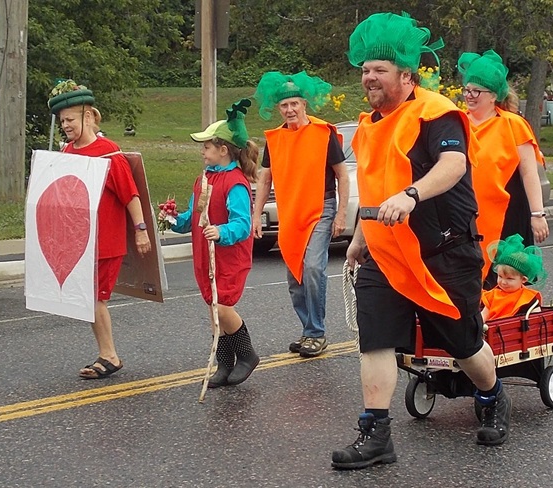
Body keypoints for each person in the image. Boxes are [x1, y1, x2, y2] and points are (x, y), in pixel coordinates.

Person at [331, 12, 513, 470]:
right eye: (366, 69)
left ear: (406, 76)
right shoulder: (370, 123)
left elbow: (452, 167)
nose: (369, 77)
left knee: (463, 344)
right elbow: (373, 187)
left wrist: (412, 195)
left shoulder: (437, 114)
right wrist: (358, 239)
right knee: (374, 341)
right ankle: (376, 435)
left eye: (380, 70)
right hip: (386, 253)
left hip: (444, 251)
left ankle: (491, 395)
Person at [47, 79, 152, 379]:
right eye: (62, 121)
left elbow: (129, 195)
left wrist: (141, 229)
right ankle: (106, 353)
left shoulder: (108, 151)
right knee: (87, 298)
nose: (65, 125)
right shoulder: (67, 152)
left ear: (89, 116)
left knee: (95, 298)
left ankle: (110, 356)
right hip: (79, 241)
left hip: (106, 240)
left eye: (70, 119)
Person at [251, 71, 350, 358]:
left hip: (321, 208)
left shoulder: (323, 134)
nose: (290, 110)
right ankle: (309, 330)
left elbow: (342, 176)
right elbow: (265, 178)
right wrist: (257, 216)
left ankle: (316, 333)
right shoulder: (275, 139)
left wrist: (341, 214)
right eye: (284, 106)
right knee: (295, 278)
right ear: (278, 109)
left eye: (294, 104)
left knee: (313, 269)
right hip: (290, 211)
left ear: (304, 104)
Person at [171, 99, 262, 388]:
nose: (202, 151)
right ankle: (224, 363)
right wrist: (173, 219)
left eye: (207, 146)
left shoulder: (235, 183)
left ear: (223, 150)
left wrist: (221, 232)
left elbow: (242, 224)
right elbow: (192, 216)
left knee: (222, 307)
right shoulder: (204, 179)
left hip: (228, 256)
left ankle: (247, 354)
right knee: (213, 309)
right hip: (204, 254)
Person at [457, 50, 549, 288]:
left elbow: (529, 172)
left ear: (493, 95)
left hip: (508, 218)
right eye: (467, 90)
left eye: (476, 91)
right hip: (466, 218)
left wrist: (537, 215)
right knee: (468, 283)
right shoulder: (456, 123)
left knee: (506, 282)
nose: (469, 95)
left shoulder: (512, 124)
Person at [481, 234, 546, 322]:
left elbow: (537, 322)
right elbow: (483, 317)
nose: (503, 282)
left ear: (523, 279)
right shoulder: (492, 296)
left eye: (509, 279)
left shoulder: (529, 298)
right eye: (500, 276)